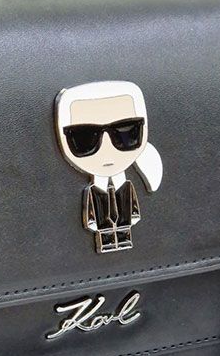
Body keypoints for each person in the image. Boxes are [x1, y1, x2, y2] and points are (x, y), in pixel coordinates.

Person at [55, 81, 163, 253]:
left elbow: (133, 209)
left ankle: (122, 235)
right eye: (85, 139)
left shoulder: (125, 187)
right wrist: (94, 223)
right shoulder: (95, 191)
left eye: (126, 133)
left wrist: (131, 218)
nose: (107, 149)